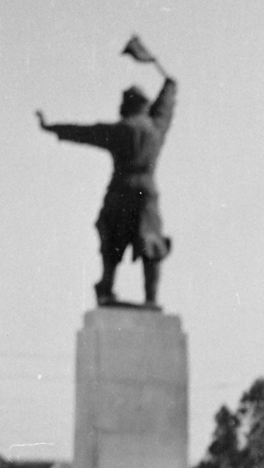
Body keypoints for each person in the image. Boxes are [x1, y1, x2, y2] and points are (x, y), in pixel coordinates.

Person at [37, 72, 177, 307]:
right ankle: (151, 297)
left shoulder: (119, 129)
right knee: (151, 241)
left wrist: (51, 127)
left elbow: (84, 133)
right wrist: (170, 86)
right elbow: (164, 108)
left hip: (120, 189)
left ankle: (107, 287)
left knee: (111, 237)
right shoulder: (155, 130)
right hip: (146, 192)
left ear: (128, 104)